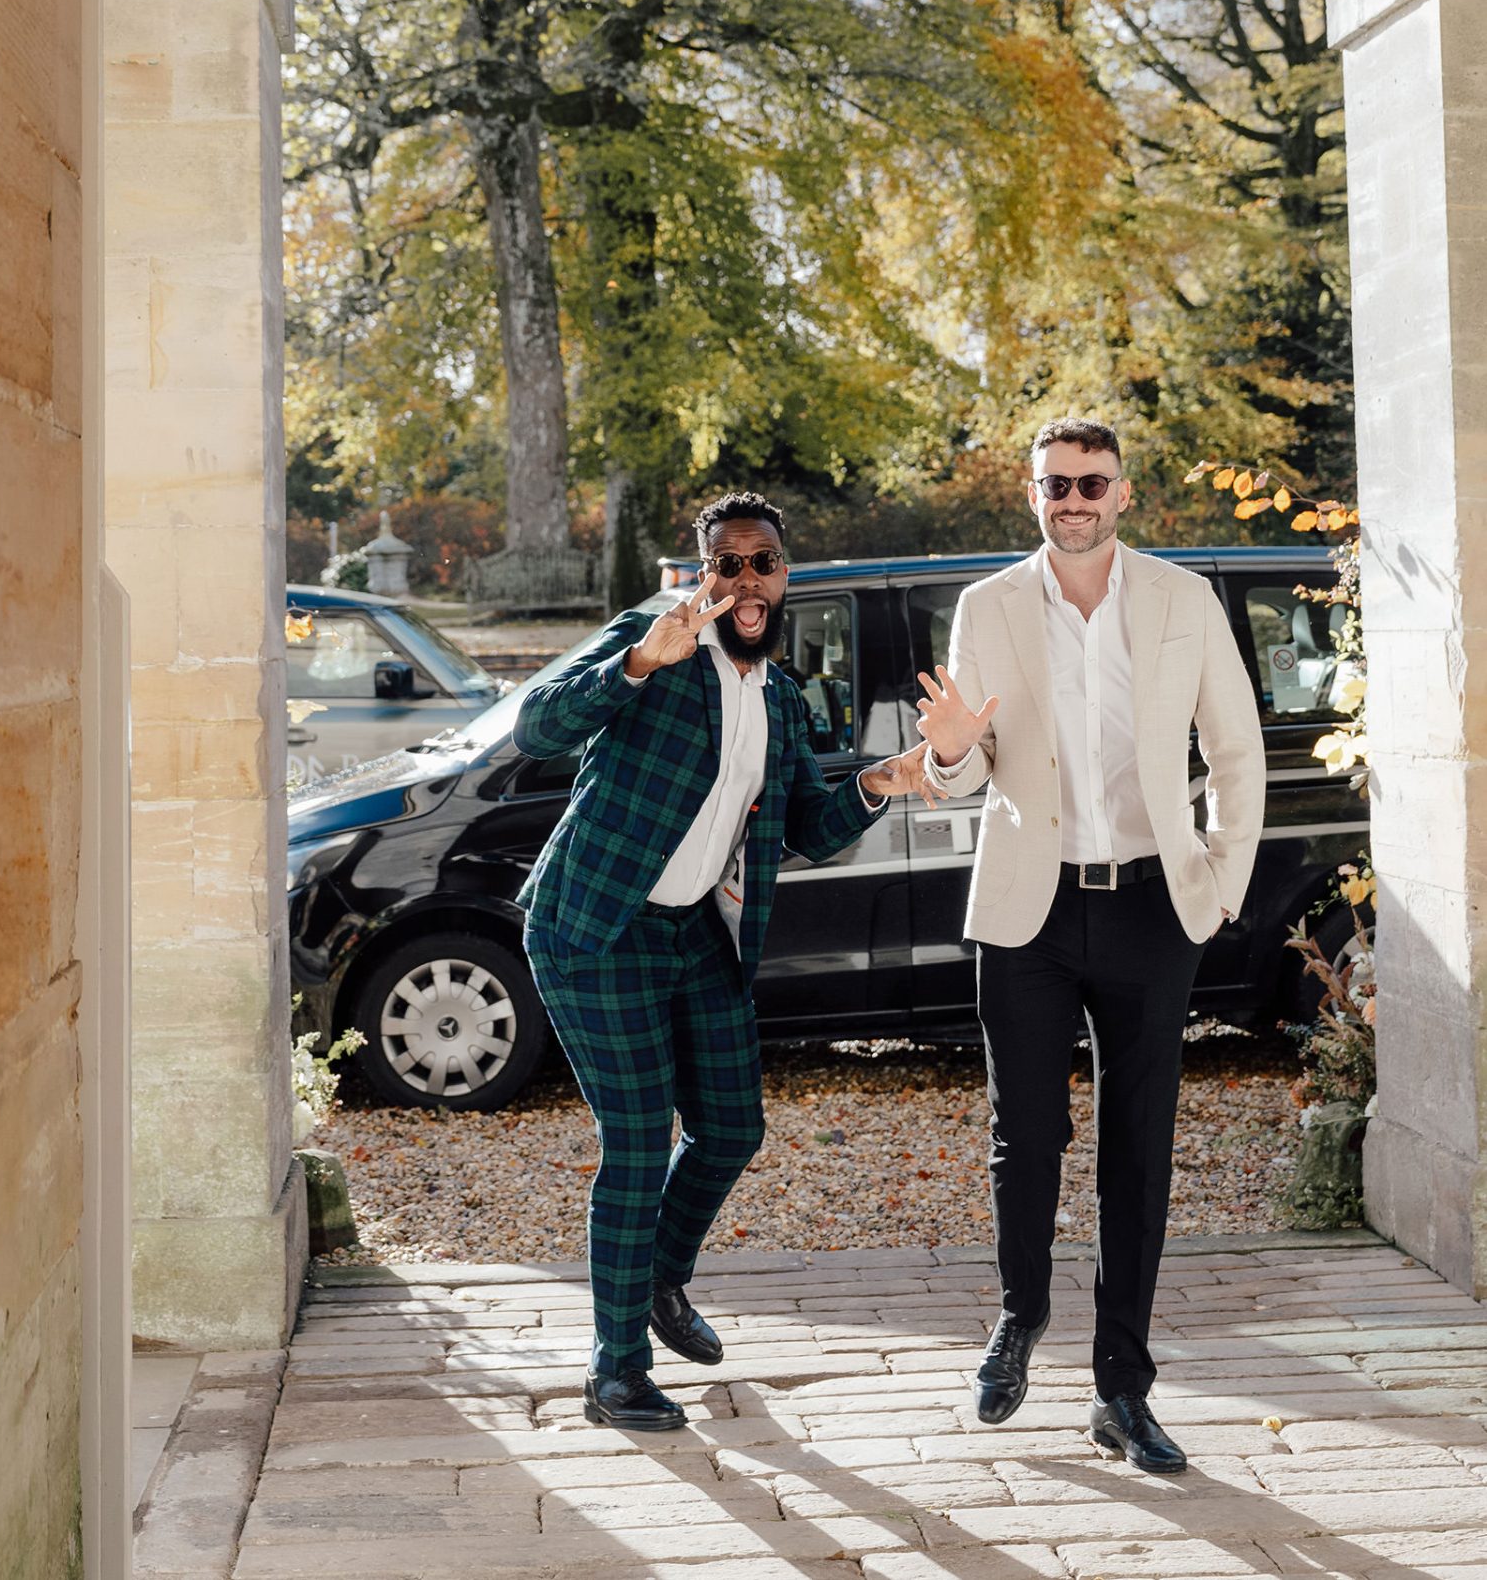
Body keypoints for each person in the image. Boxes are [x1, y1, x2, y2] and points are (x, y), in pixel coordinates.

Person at [515, 489, 935, 1432]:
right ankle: (615, 1370)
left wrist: (882, 780)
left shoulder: (781, 696)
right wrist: (632, 665)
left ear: (786, 577)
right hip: (594, 926)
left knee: (732, 1128)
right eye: (729, 563)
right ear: (704, 571)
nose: (748, 581)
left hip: (694, 930)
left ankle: (658, 1279)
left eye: (766, 564)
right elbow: (534, 729)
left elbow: (811, 831)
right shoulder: (654, 640)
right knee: (634, 1143)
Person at [917, 418, 1264, 1474]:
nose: (1072, 499)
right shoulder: (986, 608)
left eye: (1090, 483)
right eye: (1054, 484)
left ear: (1123, 493)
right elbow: (968, 770)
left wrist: (1214, 890)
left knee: (1138, 1153)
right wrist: (945, 760)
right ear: (1032, 494)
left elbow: (1237, 752)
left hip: (1154, 907)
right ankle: (1021, 1317)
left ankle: (1123, 1388)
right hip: (1027, 908)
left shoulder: (1180, 600)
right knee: (1026, 1135)